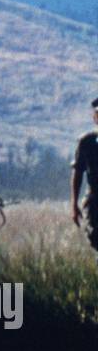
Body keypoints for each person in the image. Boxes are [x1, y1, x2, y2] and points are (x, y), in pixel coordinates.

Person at [71, 96, 98, 249]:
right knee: (95, 237)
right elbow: (77, 173)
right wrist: (74, 204)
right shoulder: (87, 142)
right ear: (95, 118)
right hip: (95, 199)